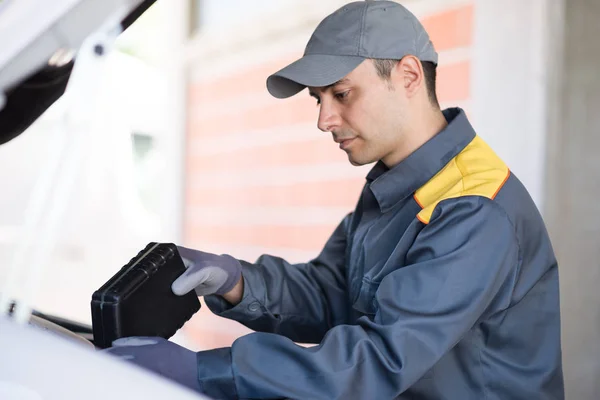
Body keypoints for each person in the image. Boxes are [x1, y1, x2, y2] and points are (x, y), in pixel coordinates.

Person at [104, 1, 565, 399]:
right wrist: (236, 282)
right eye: (318, 99)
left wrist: (204, 372)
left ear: (407, 75)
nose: (325, 119)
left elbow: (379, 360)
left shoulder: (473, 209)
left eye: (342, 94)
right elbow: (332, 295)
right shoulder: (398, 186)